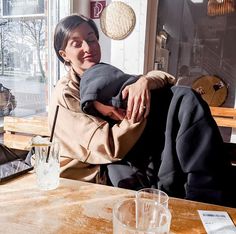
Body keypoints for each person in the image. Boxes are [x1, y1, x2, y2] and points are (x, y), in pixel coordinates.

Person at [50, 14, 235, 207]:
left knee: (182, 99)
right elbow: (108, 147)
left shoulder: (102, 74)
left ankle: (199, 198)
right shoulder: (65, 95)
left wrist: (144, 82)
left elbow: (164, 77)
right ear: (64, 55)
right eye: (76, 43)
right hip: (89, 178)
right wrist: (138, 112)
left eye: (91, 39)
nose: (88, 48)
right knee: (178, 105)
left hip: (122, 162)